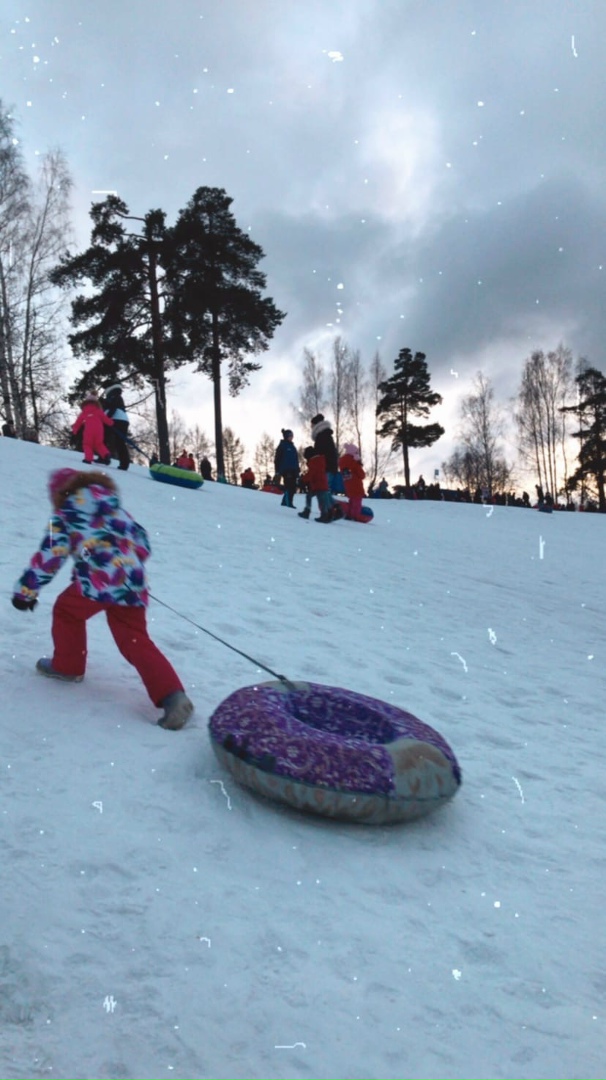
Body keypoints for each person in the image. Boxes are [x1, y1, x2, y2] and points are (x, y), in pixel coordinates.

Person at [11, 467, 194, 730]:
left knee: (66, 611)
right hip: (132, 582)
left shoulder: (64, 516)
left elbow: (50, 556)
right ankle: (173, 696)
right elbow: (142, 543)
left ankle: (68, 666)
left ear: (60, 494)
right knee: (135, 639)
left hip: (97, 583)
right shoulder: (116, 509)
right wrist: (125, 565)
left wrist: (25, 592)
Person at [72, 393, 113, 465]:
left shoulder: (84, 411)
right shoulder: (99, 410)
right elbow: (105, 419)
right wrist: (111, 423)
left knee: (87, 444)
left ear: (86, 402)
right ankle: (106, 455)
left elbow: (78, 421)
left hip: (89, 430)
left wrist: (75, 429)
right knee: (99, 444)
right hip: (99, 430)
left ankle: (88, 459)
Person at [299, 447, 333, 523]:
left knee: (321, 500)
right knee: (320, 500)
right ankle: (324, 514)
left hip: (319, 485)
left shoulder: (314, 462)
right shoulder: (319, 461)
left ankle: (323, 514)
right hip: (319, 484)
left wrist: (303, 479)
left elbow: (312, 473)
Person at [102, 383, 130, 471]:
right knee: (120, 443)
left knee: (102, 438)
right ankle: (124, 464)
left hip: (115, 419)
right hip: (124, 420)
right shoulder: (118, 396)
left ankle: (103, 457)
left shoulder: (113, 396)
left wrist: (107, 418)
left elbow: (112, 408)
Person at [338, 443, 366, 520]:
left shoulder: (342, 462)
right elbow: (361, 474)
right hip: (356, 485)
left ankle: (349, 514)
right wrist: (358, 463)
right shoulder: (354, 461)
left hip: (348, 485)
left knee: (352, 501)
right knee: (357, 502)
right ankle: (354, 516)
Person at [274, 428, 299, 508]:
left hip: (293, 470)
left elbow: (295, 459)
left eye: (292, 436)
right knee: (289, 486)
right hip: (286, 469)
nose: (292, 437)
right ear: (286, 436)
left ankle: (286, 502)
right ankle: (288, 503)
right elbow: (277, 459)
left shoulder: (292, 446)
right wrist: (277, 471)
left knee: (293, 487)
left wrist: (297, 469)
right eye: (290, 436)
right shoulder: (282, 446)